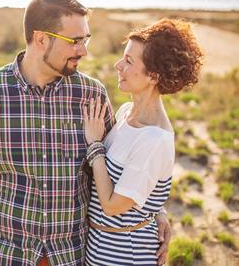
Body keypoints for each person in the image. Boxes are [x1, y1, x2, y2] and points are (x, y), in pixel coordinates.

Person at [0, 0, 171, 266]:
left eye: (86, 39)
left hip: (72, 257)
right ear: (41, 39)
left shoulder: (92, 95)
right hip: (6, 256)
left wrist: (155, 210)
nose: (84, 50)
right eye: (75, 41)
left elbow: (119, 169)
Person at [84, 18, 203, 265]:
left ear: (153, 76)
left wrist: (95, 146)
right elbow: (140, 187)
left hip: (128, 254)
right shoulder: (125, 112)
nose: (118, 65)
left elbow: (112, 206)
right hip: (100, 249)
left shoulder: (155, 138)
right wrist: (157, 210)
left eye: (129, 61)